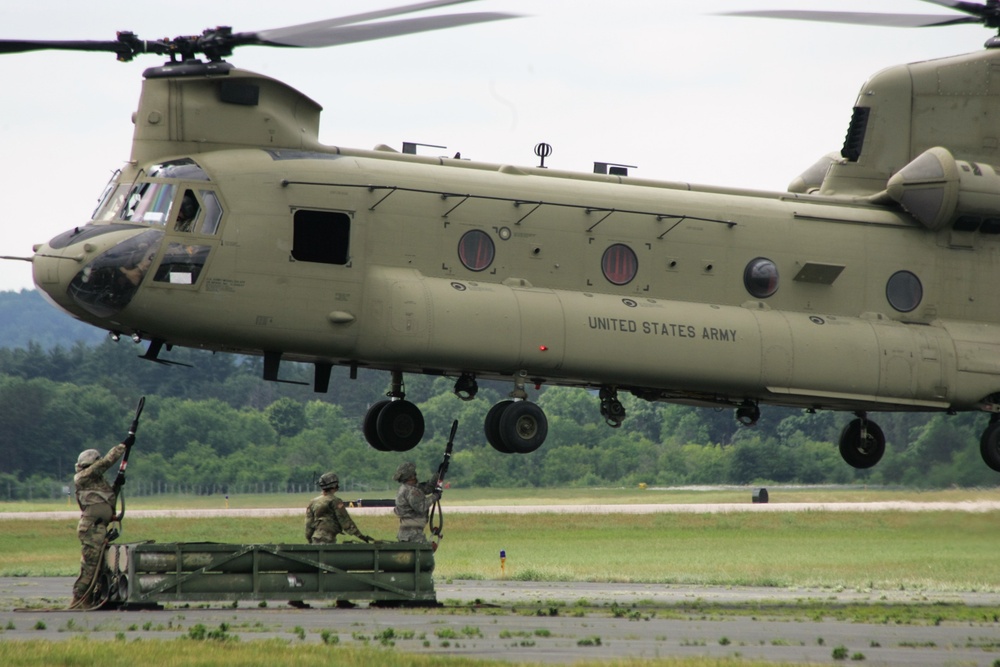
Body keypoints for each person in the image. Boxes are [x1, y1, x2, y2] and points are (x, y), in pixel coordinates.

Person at [71, 438, 131, 607]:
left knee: (100, 565)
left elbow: (106, 501)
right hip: (91, 528)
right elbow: (105, 463)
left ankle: (92, 596)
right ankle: (79, 598)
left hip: (100, 528)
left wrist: (116, 486)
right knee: (91, 565)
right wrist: (123, 446)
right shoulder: (83, 477)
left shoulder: (98, 483)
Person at [305, 472, 373, 545]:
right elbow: (345, 521)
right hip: (328, 539)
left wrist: (309, 539)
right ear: (334, 486)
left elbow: (308, 524)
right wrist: (361, 536)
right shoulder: (335, 501)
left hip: (315, 539)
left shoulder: (313, 502)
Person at [393, 461, 441, 543]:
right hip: (412, 535)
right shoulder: (411, 491)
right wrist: (435, 496)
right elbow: (421, 507)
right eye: (414, 473)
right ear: (411, 476)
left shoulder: (408, 488)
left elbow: (428, 488)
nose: (416, 475)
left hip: (408, 533)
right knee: (422, 555)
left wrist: (438, 473)